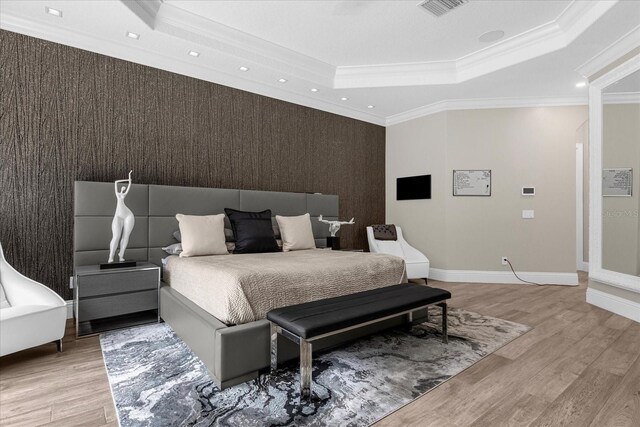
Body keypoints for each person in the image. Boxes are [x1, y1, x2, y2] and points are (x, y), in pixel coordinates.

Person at [108, 171, 135, 263]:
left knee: (126, 236)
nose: (123, 188)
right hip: (118, 215)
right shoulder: (117, 193)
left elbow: (130, 184)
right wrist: (126, 178)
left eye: (124, 187)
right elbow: (116, 182)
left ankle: (121, 255)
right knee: (116, 237)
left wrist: (129, 177)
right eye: (123, 187)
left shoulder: (125, 194)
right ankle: (111, 256)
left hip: (128, 215)